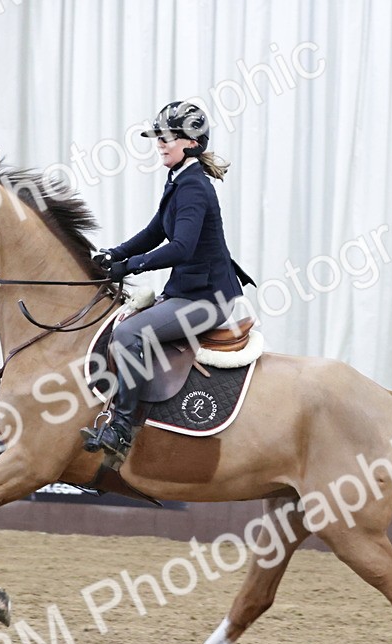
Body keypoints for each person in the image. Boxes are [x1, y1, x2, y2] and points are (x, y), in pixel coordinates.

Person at [81, 101, 255, 458]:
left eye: (168, 137)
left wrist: (131, 267)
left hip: (208, 302)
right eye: (158, 137)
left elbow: (181, 248)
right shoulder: (179, 180)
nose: (160, 143)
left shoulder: (194, 187)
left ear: (191, 142)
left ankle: (121, 429)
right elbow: (154, 231)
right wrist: (114, 254)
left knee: (128, 333)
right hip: (191, 293)